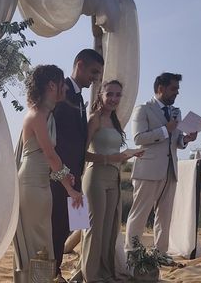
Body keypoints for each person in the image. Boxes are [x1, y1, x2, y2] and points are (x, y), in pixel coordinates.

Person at [13, 65, 83, 283]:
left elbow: (48, 160)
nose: (65, 89)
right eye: (63, 84)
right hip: (31, 187)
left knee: (43, 240)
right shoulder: (36, 116)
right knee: (37, 243)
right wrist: (70, 188)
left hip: (42, 185)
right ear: (52, 85)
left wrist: (63, 176)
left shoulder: (47, 115)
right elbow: (50, 155)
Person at [124, 73, 197, 254]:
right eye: (174, 89)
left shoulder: (176, 112)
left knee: (165, 217)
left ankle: (160, 255)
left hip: (170, 171)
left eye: (178, 90)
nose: (177, 93)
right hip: (148, 170)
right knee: (139, 215)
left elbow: (177, 141)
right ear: (161, 88)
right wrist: (166, 129)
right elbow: (138, 138)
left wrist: (186, 139)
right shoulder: (143, 109)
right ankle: (132, 256)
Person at [81, 80, 143, 283]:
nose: (114, 99)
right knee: (94, 228)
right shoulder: (94, 119)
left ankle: (106, 273)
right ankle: (91, 276)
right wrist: (110, 159)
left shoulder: (116, 121)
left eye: (118, 95)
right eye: (110, 94)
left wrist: (130, 154)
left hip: (114, 178)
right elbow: (82, 154)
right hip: (96, 176)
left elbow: (116, 152)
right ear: (101, 95)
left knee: (110, 229)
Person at [51, 49, 104, 281]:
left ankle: (58, 268)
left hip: (75, 175)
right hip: (59, 176)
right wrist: (62, 173)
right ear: (80, 65)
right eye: (94, 72)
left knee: (71, 225)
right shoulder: (61, 93)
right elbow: (55, 138)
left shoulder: (80, 97)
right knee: (58, 225)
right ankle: (53, 273)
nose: (95, 78)